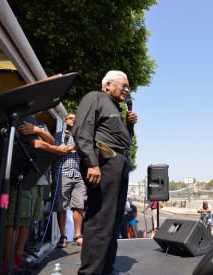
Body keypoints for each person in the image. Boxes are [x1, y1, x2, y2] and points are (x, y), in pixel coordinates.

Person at [73, 70, 137, 275]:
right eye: (123, 85)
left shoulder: (117, 109)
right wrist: (92, 163)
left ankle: (106, 267)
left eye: (128, 86)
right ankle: (91, 271)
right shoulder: (95, 97)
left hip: (119, 162)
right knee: (101, 217)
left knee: (115, 218)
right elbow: (81, 130)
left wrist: (128, 125)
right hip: (104, 162)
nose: (127, 89)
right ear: (107, 84)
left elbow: (123, 141)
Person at [3, 114, 68, 273]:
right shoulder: (22, 118)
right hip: (23, 178)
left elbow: (51, 141)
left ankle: (19, 258)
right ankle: (6, 262)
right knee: (14, 221)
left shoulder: (38, 124)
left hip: (38, 179)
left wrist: (37, 129)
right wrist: (58, 150)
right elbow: (36, 144)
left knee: (28, 221)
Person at [52, 113, 86, 247]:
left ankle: (77, 235)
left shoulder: (82, 136)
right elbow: (59, 151)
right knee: (61, 206)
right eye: (70, 118)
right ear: (65, 121)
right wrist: (73, 146)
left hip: (79, 175)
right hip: (62, 173)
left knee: (79, 205)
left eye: (75, 118)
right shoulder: (58, 136)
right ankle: (63, 236)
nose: (73, 120)